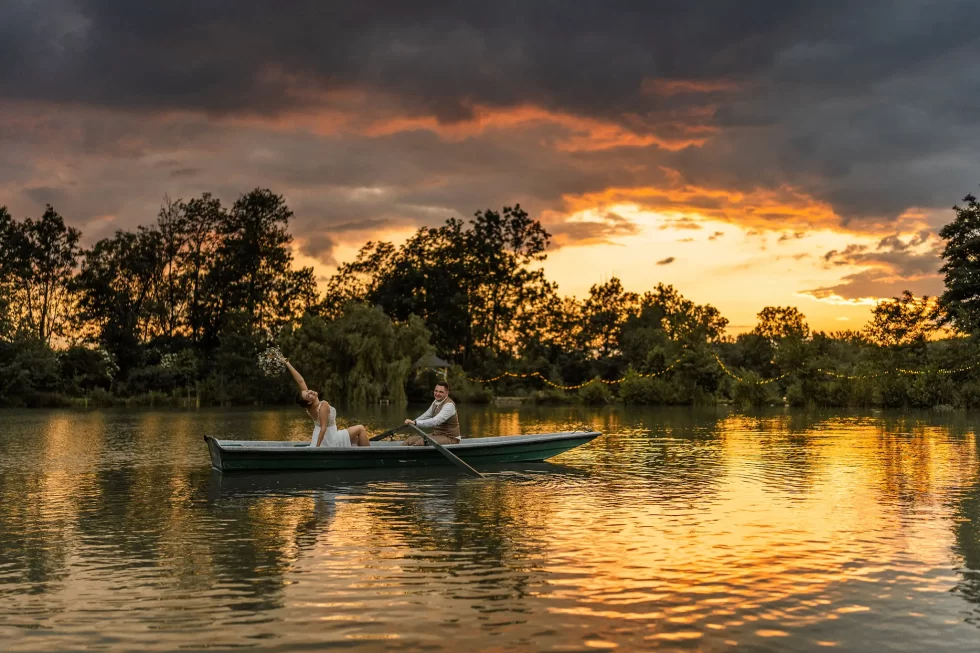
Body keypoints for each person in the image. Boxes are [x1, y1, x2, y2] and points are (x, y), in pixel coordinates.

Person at [284, 359, 371, 447]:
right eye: (308, 395)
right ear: (309, 401)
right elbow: (323, 428)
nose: (310, 392)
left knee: (356, 438)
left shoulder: (309, 407)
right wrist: (317, 448)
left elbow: (300, 381)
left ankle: (358, 457)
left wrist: (287, 363)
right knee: (361, 428)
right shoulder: (323, 405)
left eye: (308, 391)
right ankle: (369, 458)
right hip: (331, 439)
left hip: (322, 438)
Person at [404, 381, 461, 446]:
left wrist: (416, 423)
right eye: (436, 391)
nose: (437, 394)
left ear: (447, 393)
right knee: (410, 440)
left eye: (441, 392)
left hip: (451, 438)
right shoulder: (435, 402)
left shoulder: (449, 406)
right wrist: (413, 422)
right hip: (437, 435)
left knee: (421, 443)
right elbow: (426, 415)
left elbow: (435, 421)